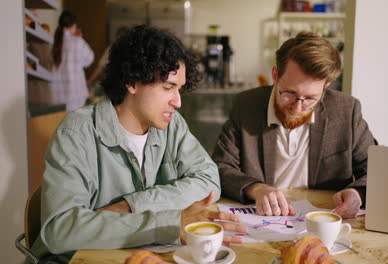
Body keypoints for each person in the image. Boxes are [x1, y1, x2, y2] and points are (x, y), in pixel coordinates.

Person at [30, 25, 246, 264]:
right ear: (132, 82)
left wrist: (132, 206)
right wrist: (167, 223)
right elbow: (61, 230)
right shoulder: (77, 132)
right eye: (168, 87)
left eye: (180, 89)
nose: (178, 102)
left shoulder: (172, 125)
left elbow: (208, 179)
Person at [212, 32, 377, 219]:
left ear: (325, 87)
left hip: (323, 220)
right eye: (290, 93)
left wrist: (357, 193)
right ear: (275, 75)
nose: (298, 107)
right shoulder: (246, 105)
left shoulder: (346, 110)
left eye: (310, 98)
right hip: (264, 220)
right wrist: (256, 189)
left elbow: (377, 170)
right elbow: (220, 166)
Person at [50, 10, 94, 111]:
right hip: (75, 96)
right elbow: (90, 59)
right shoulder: (77, 41)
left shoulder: (53, 42)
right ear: (74, 25)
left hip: (57, 96)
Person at [86, 26, 129, 98]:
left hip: (116, 86)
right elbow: (100, 68)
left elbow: (100, 68)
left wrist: (89, 82)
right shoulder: (113, 48)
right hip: (121, 86)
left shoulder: (113, 48)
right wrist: (89, 82)